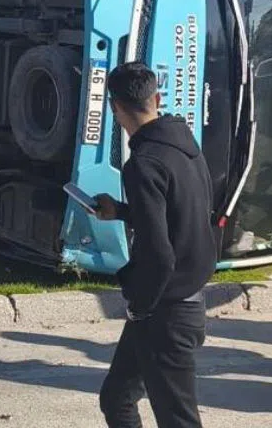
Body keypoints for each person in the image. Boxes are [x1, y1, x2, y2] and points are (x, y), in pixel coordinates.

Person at [90, 62, 215, 428]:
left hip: (166, 310)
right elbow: (179, 214)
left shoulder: (143, 164)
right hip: (181, 298)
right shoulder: (185, 147)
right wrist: (122, 212)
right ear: (157, 99)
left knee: (178, 420)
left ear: (115, 108)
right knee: (117, 398)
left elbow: (159, 254)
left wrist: (139, 304)